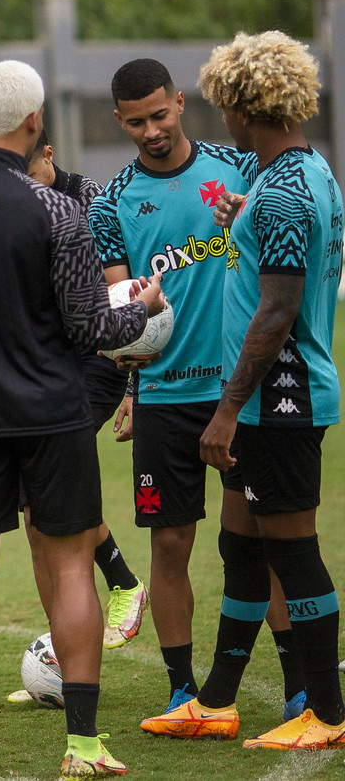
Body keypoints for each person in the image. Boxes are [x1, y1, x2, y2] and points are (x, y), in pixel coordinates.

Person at [0, 60, 163, 779]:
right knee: (73, 569)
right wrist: (148, 309)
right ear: (34, 122)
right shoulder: (56, 210)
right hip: (52, 416)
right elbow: (92, 328)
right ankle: (81, 746)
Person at [142, 31, 345, 749]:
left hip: (280, 398)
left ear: (242, 106)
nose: (219, 118)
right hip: (271, 397)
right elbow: (274, 254)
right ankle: (218, 701)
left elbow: (278, 308)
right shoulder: (299, 174)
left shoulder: (284, 192)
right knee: (241, 544)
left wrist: (226, 409)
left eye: (224, 104)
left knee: (293, 549)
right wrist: (241, 220)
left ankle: (327, 711)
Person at [89, 60, 303, 720]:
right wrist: (129, 382)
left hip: (240, 391)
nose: (152, 130)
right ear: (119, 122)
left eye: (161, 114)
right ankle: (184, 687)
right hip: (162, 398)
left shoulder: (239, 169)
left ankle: (298, 680)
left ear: (181, 103)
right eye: (136, 121)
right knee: (171, 544)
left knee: (263, 537)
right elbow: (124, 311)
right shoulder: (111, 203)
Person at [21, 130, 151, 657]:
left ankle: (122, 583)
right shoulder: (19, 206)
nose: (22, 184)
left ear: (49, 154)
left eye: (28, 171)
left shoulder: (89, 199)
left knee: (49, 489)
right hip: (50, 366)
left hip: (97, 363)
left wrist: (134, 385)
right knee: (34, 513)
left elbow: (124, 290)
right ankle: (60, 649)